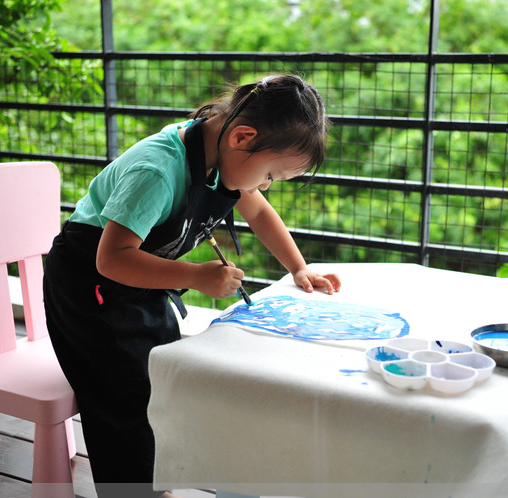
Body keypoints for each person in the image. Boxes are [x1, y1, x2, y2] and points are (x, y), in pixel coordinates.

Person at [42, 74, 341, 497]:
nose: (265, 186)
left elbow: (259, 214)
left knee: (166, 379)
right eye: (271, 174)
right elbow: (110, 259)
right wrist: (197, 276)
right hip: (89, 290)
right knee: (124, 399)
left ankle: (157, 480)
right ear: (242, 136)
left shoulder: (225, 157)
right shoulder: (158, 170)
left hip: (143, 281)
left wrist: (298, 267)